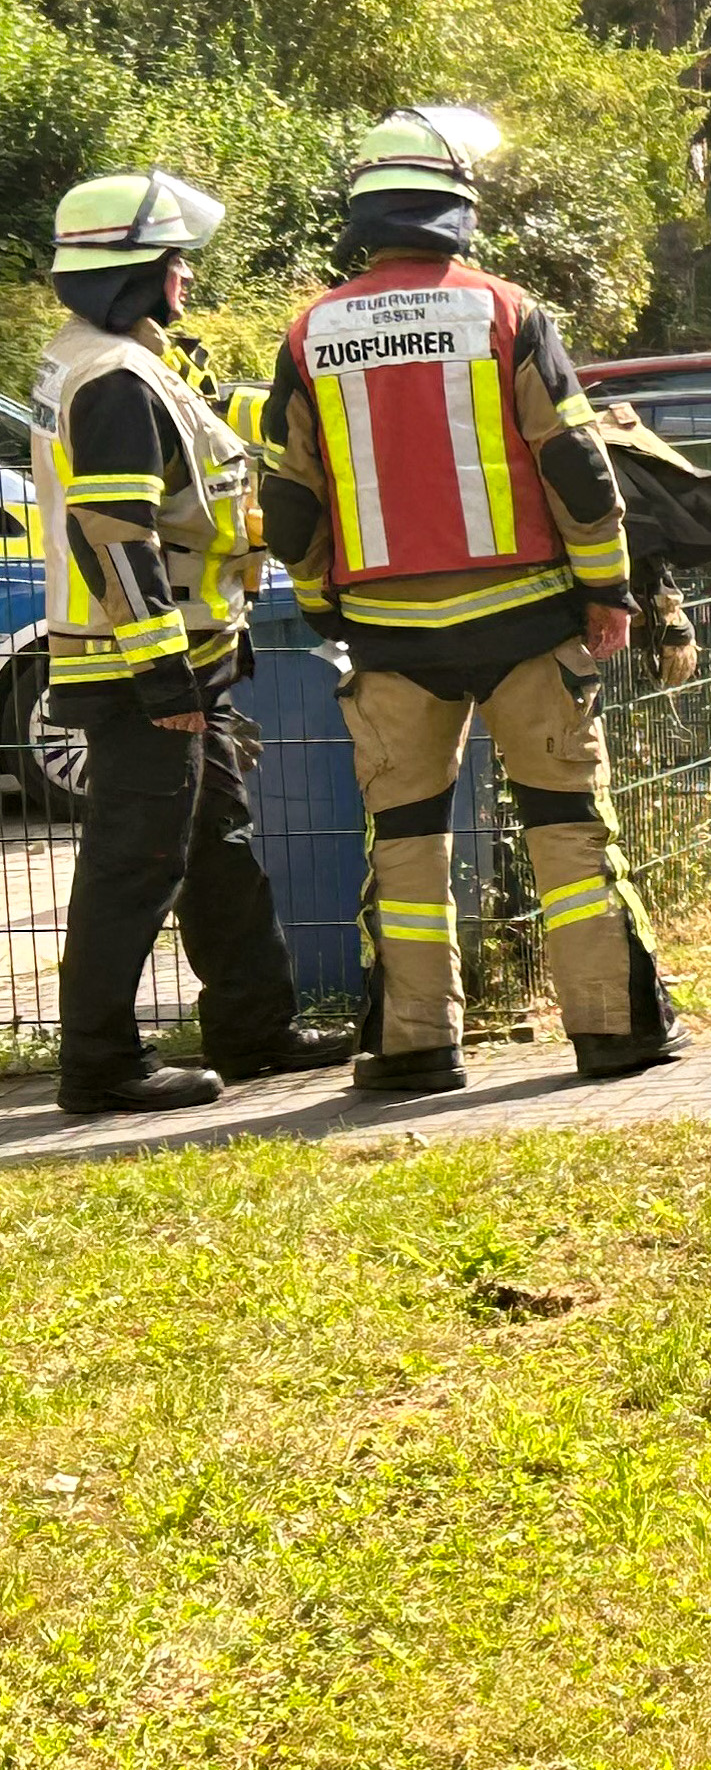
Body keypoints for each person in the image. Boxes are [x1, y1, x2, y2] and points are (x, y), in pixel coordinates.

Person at [261, 104, 685, 1096]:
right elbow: (577, 468)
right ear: (456, 209)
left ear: (365, 216)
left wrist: (323, 606)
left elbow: (291, 504)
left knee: (406, 843)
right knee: (566, 825)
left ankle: (413, 1045)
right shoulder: (502, 311)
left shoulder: (311, 331)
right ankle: (613, 1030)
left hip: (388, 637)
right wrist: (607, 590)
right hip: (526, 622)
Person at [33, 171, 350, 1113]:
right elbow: (114, 532)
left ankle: (254, 1027)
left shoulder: (104, 356)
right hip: (143, 670)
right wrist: (164, 674)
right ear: (132, 273)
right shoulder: (115, 380)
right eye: (174, 260)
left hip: (179, 662)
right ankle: (100, 1065)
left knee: (217, 843)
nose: (185, 276)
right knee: (136, 862)